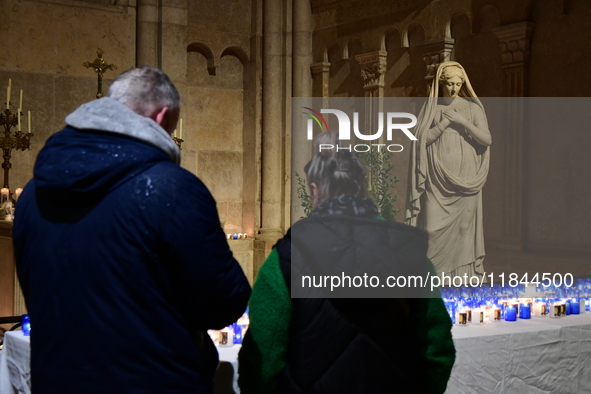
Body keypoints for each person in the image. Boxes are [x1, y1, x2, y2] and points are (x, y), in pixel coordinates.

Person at [13, 66, 251, 393]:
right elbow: (222, 303)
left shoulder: (33, 193)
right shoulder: (171, 189)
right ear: (162, 117)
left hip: (56, 380)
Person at [238, 131, 455, 394]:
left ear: (315, 190)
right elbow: (437, 349)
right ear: (364, 188)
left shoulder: (287, 257)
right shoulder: (409, 255)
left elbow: (262, 357)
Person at [405, 61, 491, 278]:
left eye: (458, 83)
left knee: (464, 231)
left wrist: (463, 122)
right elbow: (420, 141)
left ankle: (462, 280)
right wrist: (443, 124)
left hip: (467, 179)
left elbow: (486, 139)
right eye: (450, 83)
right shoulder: (432, 109)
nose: (453, 88)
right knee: (432, 230)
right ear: (441, 83)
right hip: (437, 178)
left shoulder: (472, 108)